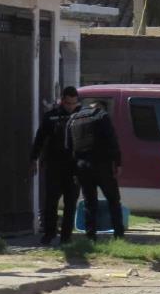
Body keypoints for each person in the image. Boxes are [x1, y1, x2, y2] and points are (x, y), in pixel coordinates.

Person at [66, 99, 125, 240]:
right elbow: (112, 140)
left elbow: (68, 147)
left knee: (89, 202)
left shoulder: (73, 118)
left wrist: (74, 170)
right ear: (100, 107)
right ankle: (118, 234)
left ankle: (90, 235)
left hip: (82, 166)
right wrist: (118, 163)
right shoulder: (102, 116)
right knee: (113, 199)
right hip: (102, 164)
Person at [29, 86, 81, 245]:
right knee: (51, 202)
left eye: (73, 103)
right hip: (54, 165)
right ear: (62, 100)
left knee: (71, 202)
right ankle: (49, 233)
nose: (70, 107)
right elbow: (40, 138)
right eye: (67, 103)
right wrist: (34, 159)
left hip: (75, 167)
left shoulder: (82, 117)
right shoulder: (52, 116)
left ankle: (66, 236)